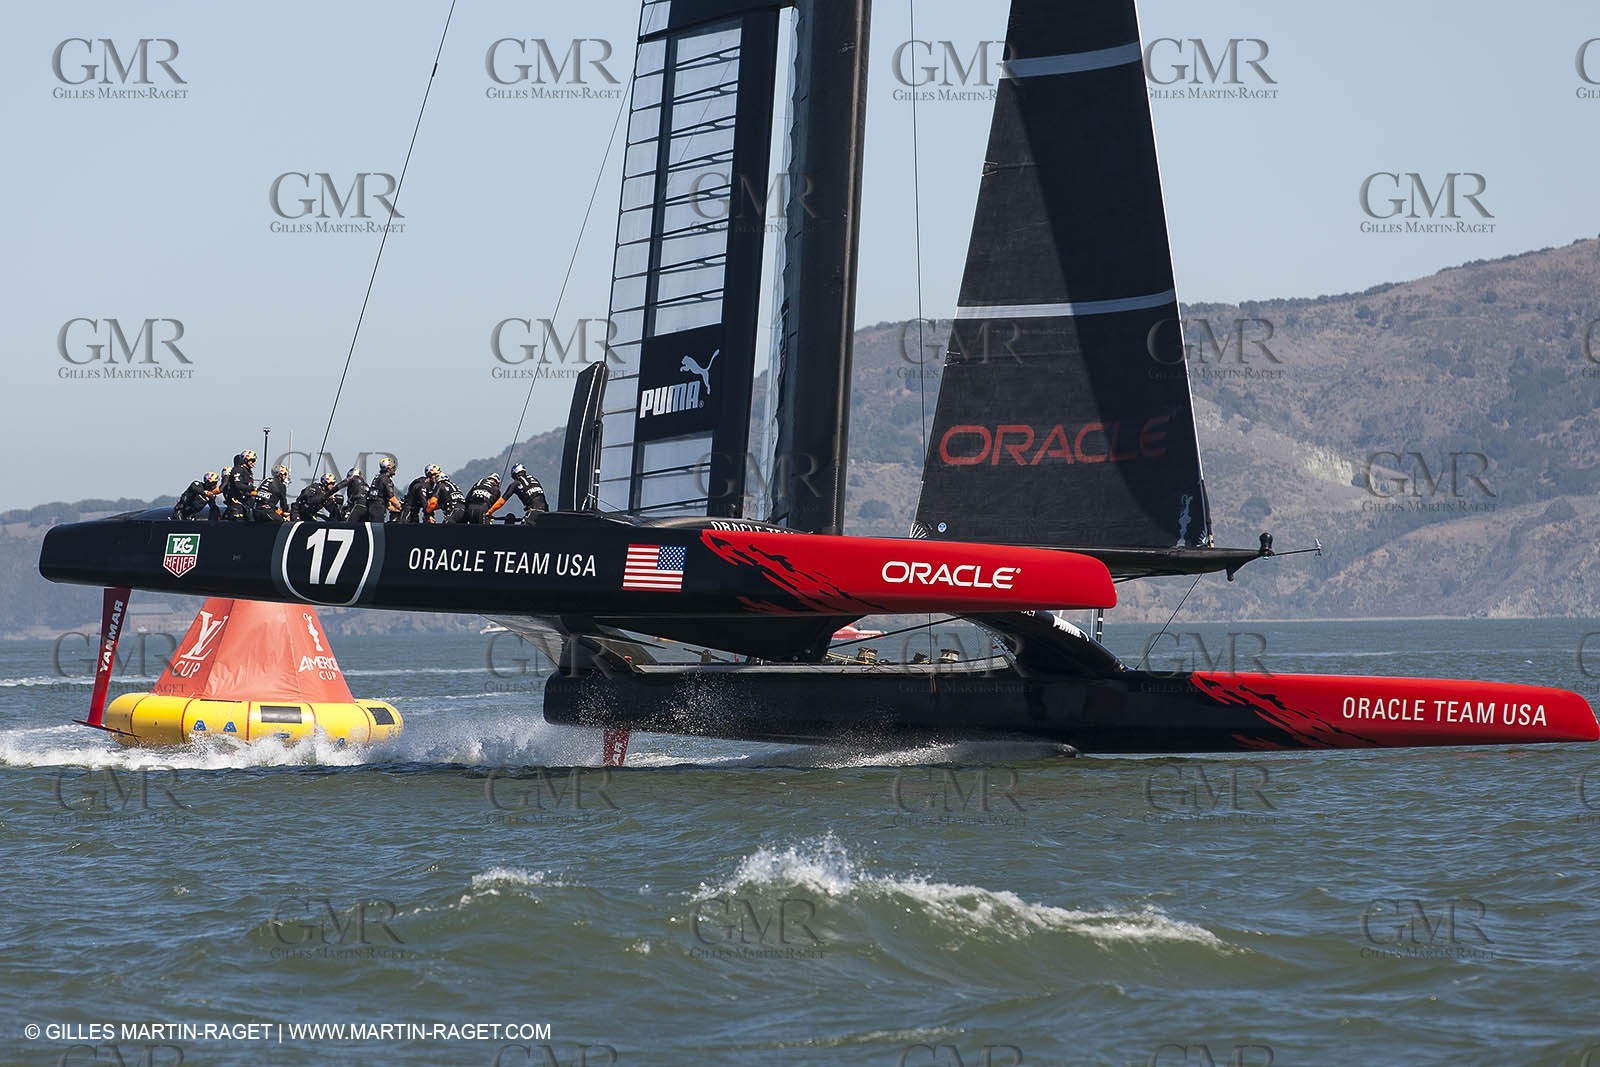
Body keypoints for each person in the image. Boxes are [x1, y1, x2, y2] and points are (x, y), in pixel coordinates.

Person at [221, 449, 257, 520]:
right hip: (236, 502)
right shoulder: (238, 469)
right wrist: (252, 488)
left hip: (244, 502)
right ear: (246, 460)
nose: (254, 463)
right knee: (238, 521)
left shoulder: (248, 472)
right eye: (252, 460)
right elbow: (238, 485)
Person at [368, 457, 402, 523]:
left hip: (372, 506)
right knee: (377, 527)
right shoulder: (386, 479)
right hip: (378, 508)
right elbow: (391, 497)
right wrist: (400, 507)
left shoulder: (378, 477)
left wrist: (393, 508)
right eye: (393, 468)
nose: (394, 469)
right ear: (388, 468)